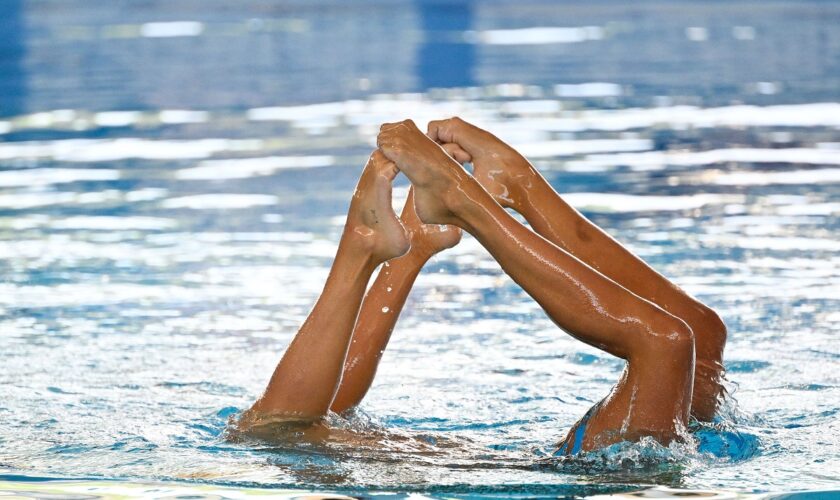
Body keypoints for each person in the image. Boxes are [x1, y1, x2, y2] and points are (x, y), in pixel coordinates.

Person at [238, 118, 727, 455]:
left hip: (536, 470)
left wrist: (408, 256)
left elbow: (320, 410)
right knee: (678, 341)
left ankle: (465, 209)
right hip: (579, 479)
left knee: (280, 429)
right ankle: (480, 198)